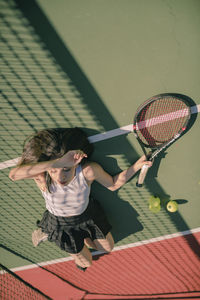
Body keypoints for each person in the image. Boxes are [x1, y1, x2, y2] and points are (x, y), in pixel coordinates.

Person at [9, 127, 152, 271]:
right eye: (54, 170)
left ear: (75, 163)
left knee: (108, 248)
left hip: (87, 216)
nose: (60, 177)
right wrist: (57, 163)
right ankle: (47, 230)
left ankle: (76, 237)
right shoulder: (43, 177)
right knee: (86, 263)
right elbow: (14, 175)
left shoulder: (87, 171)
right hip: (60, 224)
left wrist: (137, 165)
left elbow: (113, 184)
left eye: (66, 169)